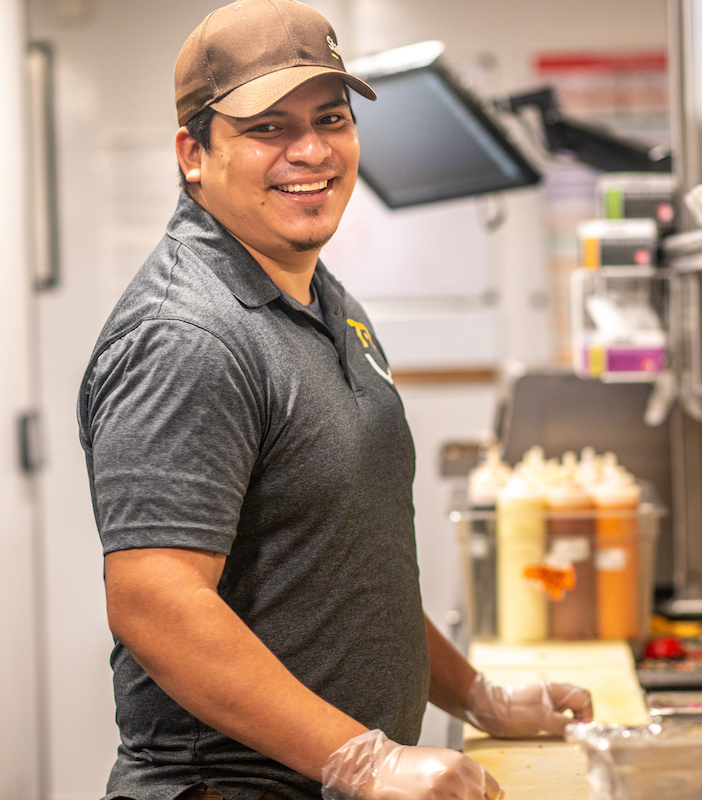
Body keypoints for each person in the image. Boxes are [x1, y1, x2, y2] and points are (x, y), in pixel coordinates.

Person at [77, 2, 594, 799]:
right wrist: (364, 758)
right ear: (193, 152)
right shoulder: (186, 333)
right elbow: (155, 601)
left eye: (331, 118)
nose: (311, 150)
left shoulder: (326, 300)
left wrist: (477, 696)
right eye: (268, 128)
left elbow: (348, 566)